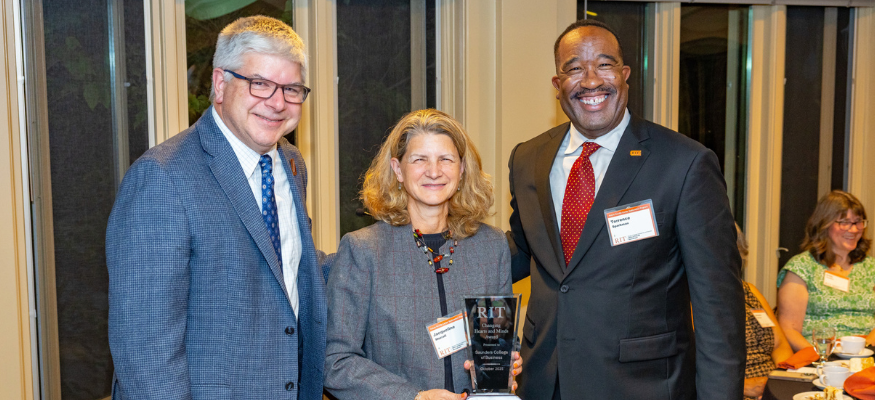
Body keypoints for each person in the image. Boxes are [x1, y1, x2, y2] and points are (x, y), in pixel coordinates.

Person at [506, 19, 745, 399]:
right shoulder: (527, 158)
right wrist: (439, 252)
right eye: (573, 68)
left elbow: (718, 308)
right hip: (543, 381)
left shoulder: (684, 164)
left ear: (625, 74)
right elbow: (522, 249)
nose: (590, 81)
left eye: (604, 65)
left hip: (641, 386)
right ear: (557, 85)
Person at [107, 16, 331, 399]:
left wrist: (379, 252)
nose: (277, 103)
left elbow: (286, 271)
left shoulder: (291, 164)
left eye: (291, 88)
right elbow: (145, 350)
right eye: (259, 84)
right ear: (220, 84)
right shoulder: (162, 178)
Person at [323, 109, 520, 400]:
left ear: (462, 168)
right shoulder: (364, 250)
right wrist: (413, 397)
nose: (434, 171)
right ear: (398, 169)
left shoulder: (490, 247)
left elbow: (498, 343)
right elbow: (335, 361)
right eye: (419, 160)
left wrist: (506, 367)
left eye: (446, 159)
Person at [777, 190, 874, 352]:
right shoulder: (802, 267)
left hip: (865, 356)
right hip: (817, 357)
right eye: (844, 222)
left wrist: (864, 350)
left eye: (858, 222)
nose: (854, 229)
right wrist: (823, 357)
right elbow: (789, 330)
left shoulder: (870, 267)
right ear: (824, 225)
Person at [736, 224, 793, 400]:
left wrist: (778, 381)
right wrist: (742, 386)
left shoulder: (749, 291)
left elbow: (780, 345)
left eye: (734, 249)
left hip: (771, 386)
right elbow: (686, 366)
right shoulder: (689, 300)